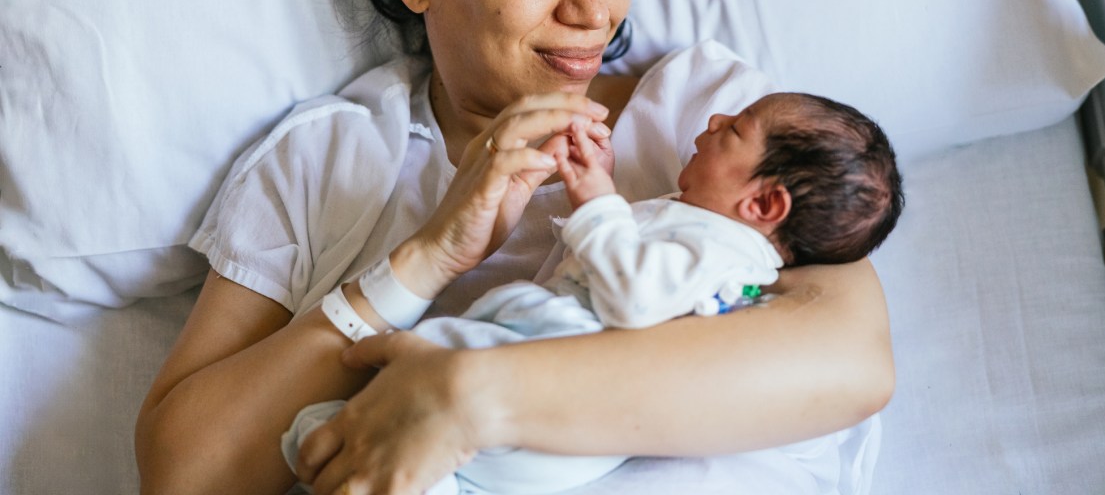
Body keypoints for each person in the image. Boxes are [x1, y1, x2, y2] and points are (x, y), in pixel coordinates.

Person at [135, 0, 895, 495]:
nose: (593, 11)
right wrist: (423, 260)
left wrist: (467, 398)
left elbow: (850, 361)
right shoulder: (325, 163)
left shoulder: (707, 119)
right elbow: (182, 476)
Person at [280, 92, 903, 494]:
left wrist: (598, 202)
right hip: (533, 390)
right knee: (326, 430)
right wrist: (600, 179)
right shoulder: (699, 224)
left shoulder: (731, 253)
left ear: (765, 203)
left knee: (422, 369)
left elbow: (634, 295)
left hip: (556, 377)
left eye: (735, 130)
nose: (711, 119)